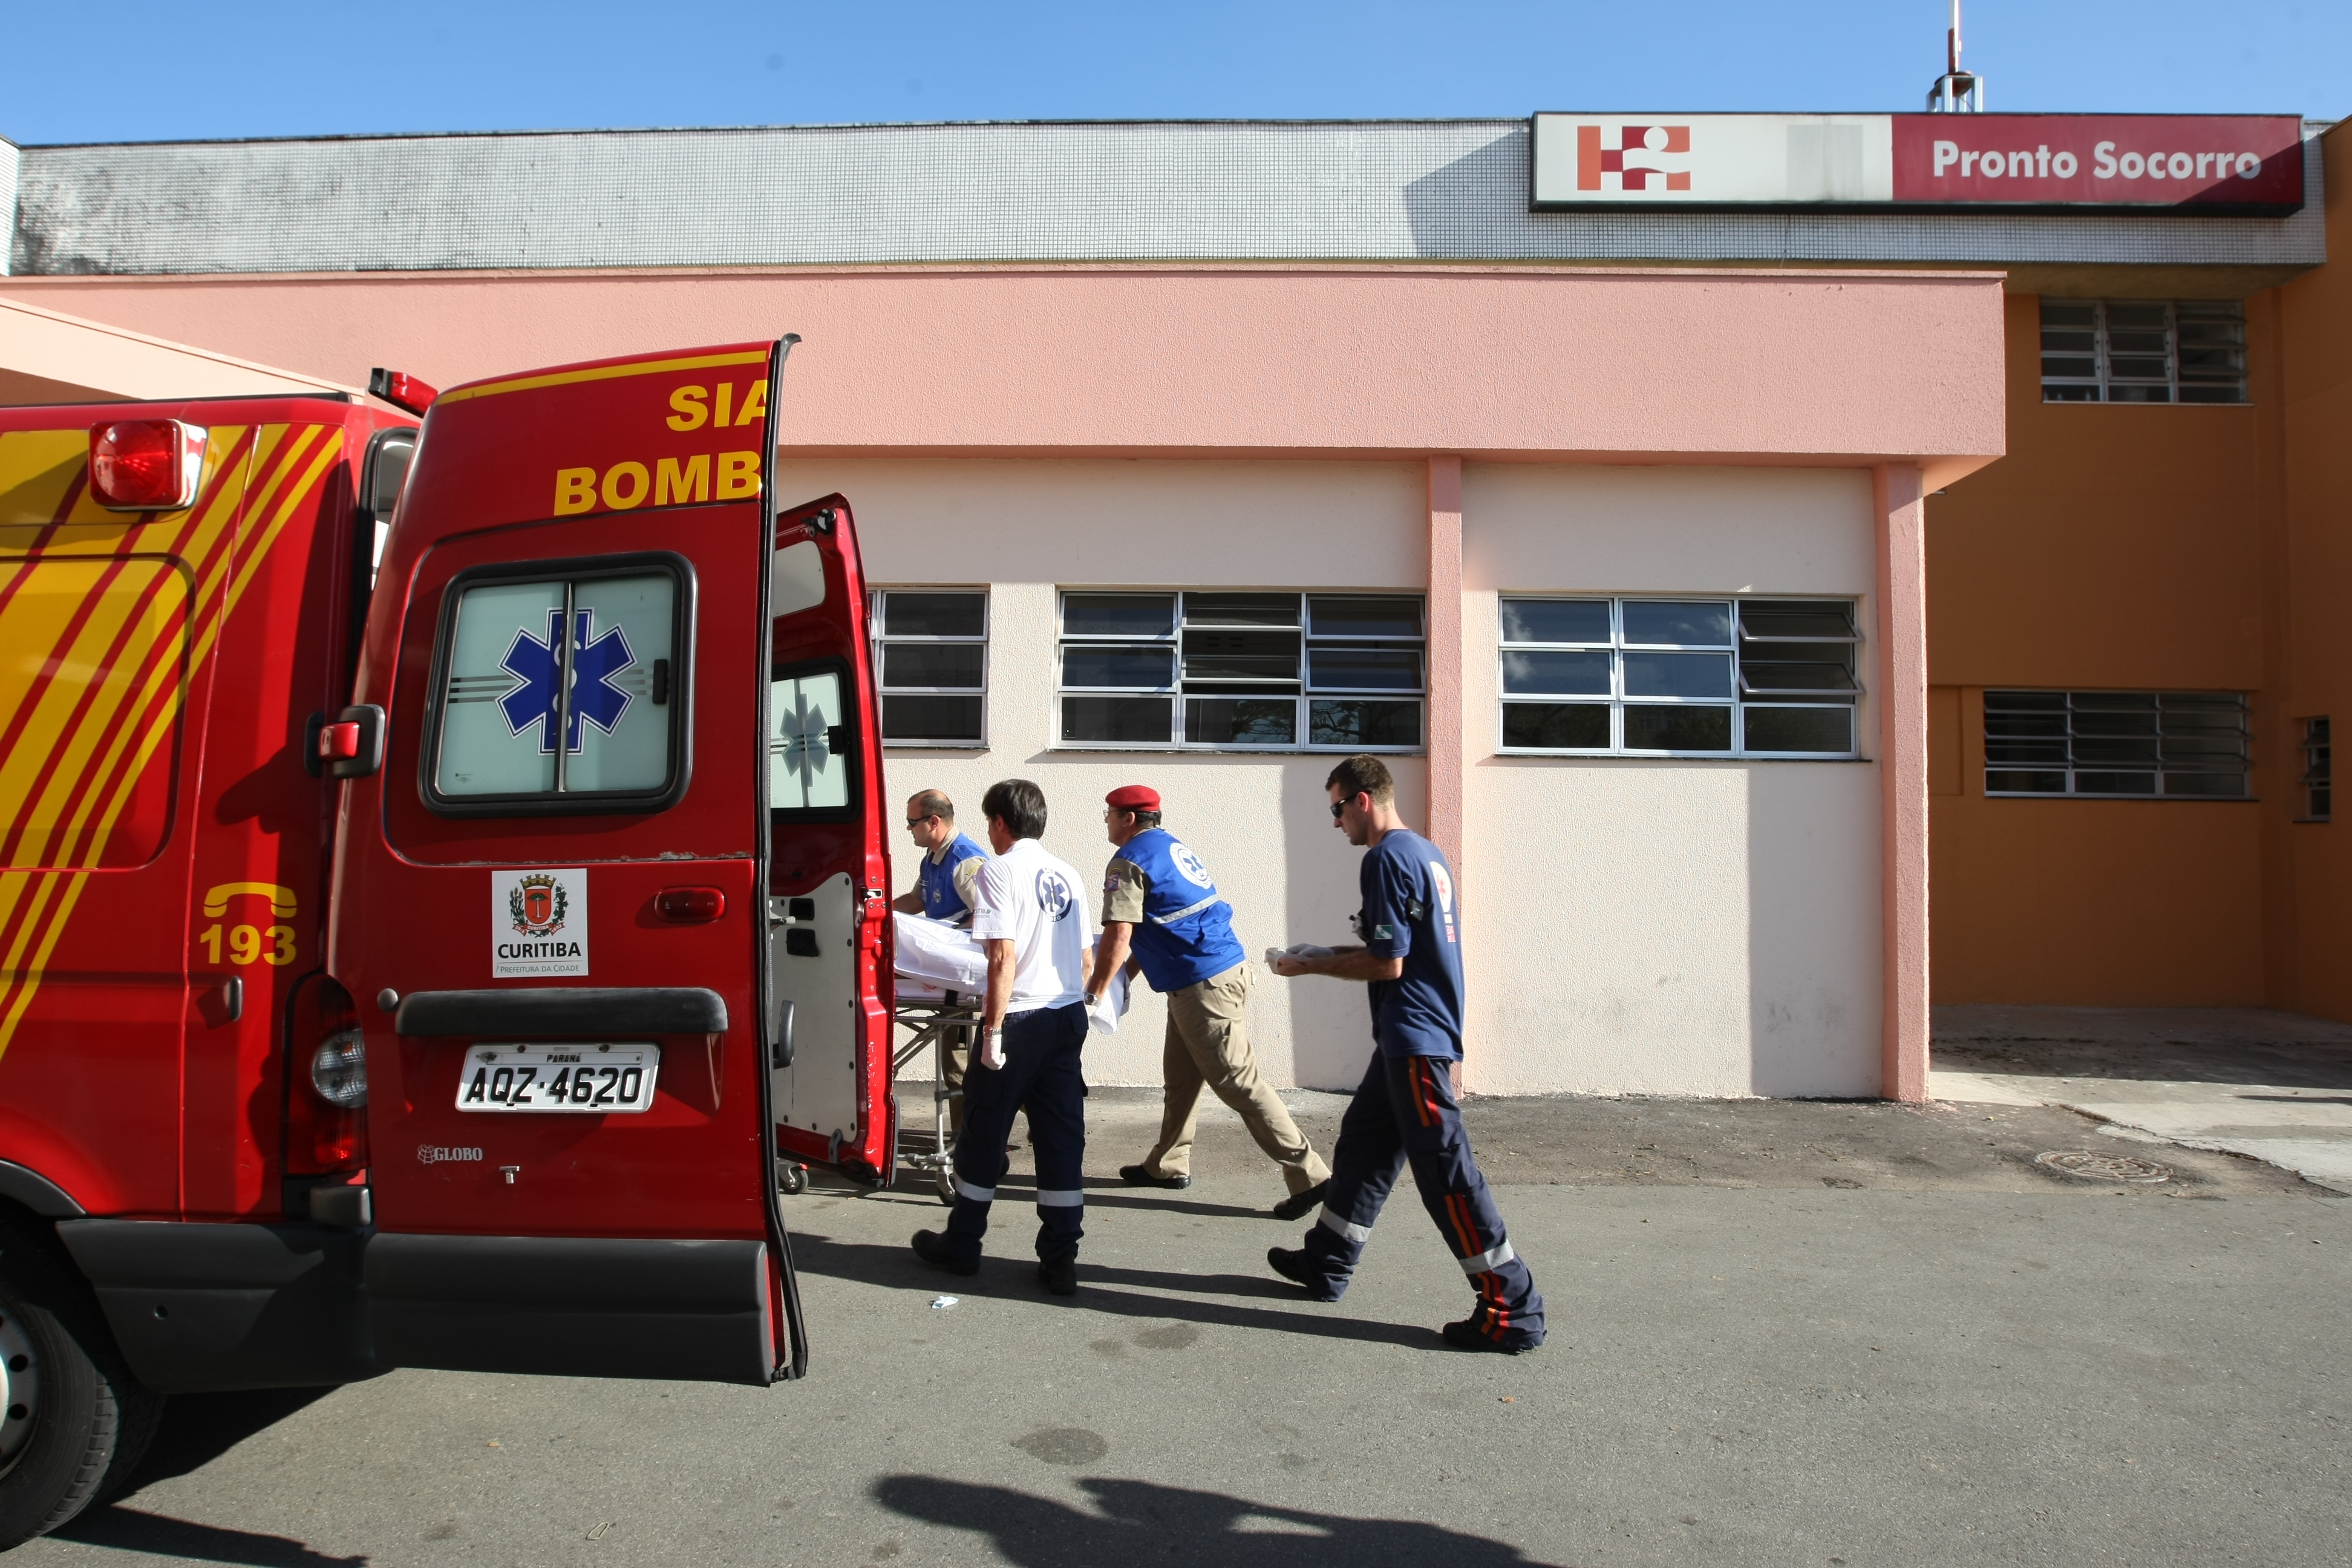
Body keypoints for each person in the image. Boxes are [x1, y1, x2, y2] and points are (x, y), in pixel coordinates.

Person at [1265, 754, 1545, 1354]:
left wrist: (1310, 964)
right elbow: (1402, 950)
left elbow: (1388, 963)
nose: (1336, 822)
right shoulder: (1425, 852)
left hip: (1414, 1038)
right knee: (1364, 1143)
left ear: (1363, 800)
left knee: (1446, 1171)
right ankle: (1328, 1262)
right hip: (1409, 1034)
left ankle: (1510, 1305)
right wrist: (1326, 949)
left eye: (1338, 808)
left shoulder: (1385, 857)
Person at [1086, 785, 1331, 1219]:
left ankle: (1312, 1176)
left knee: (1240, 1083)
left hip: (1203, 987)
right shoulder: (1169, 847)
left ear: (1129, 818)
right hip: (1206, 978)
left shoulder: (1128, 861)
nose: (1105, 820)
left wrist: (1096, 990)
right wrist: (1123, 979)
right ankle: (1167, 1164)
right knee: (1181, 1079)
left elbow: (1120, 934)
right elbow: (1154, 928)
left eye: (1109, 813)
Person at [912, 779, 1093, 1296]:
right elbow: (1084, 957)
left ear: (999, 823)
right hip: (1065, 1016)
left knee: (985, 1131)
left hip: (1021, 1021)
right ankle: (1061, 1258)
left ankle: (963, 1244)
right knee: (1061, 1139)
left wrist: (991, 1031)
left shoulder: (999, 871)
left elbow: (1000, 958)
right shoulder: (1068, 873)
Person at [894, 789, 990, 1136]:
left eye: (912, 822)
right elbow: (917, 900)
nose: (909, 829)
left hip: (960, 970)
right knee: (963, 1059)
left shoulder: (964, 860)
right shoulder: (933, 858)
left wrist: (944, 938)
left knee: (959, 1061)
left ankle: (971, 1137)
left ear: (933, 822)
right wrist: (876, 912)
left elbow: (989, 915)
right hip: (943, 967)